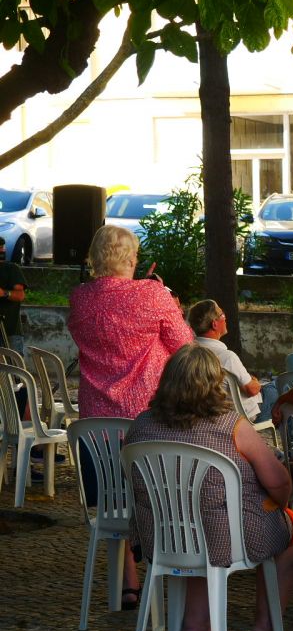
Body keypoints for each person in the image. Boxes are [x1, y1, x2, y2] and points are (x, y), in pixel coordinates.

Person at [125, 345, 293, 631]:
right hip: (224, 538)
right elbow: (279, 482)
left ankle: (195, 624)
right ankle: (267, 627)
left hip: (163, 536)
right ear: (214, 382)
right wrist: (279, 504)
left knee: (197, 520)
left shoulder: (141, 425)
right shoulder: (230, 425)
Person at [68, 225, 192, 608]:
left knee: (114, 501)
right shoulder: (152, 295)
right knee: (166, 497)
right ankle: (172, 568)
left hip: (97, 428)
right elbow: (185, 346)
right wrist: (170, 305)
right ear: (133, 258)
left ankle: (129, 583)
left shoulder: (80, 298)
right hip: (147, 423)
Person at [188, 299, 262, 421]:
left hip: (202, 414)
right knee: (272, 392)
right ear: (214, 324)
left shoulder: (187, 354)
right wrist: (255, 381)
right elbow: (252, 390)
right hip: (235, 417)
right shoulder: (227, 357)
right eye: (222, 314)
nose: (225, 317)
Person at [0, 236, 28, 352]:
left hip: (10, 330)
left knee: (14, 368)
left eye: (2, 247)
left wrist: (4, 293)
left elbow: (20, 295)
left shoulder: (11, 269)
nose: (2, 250)